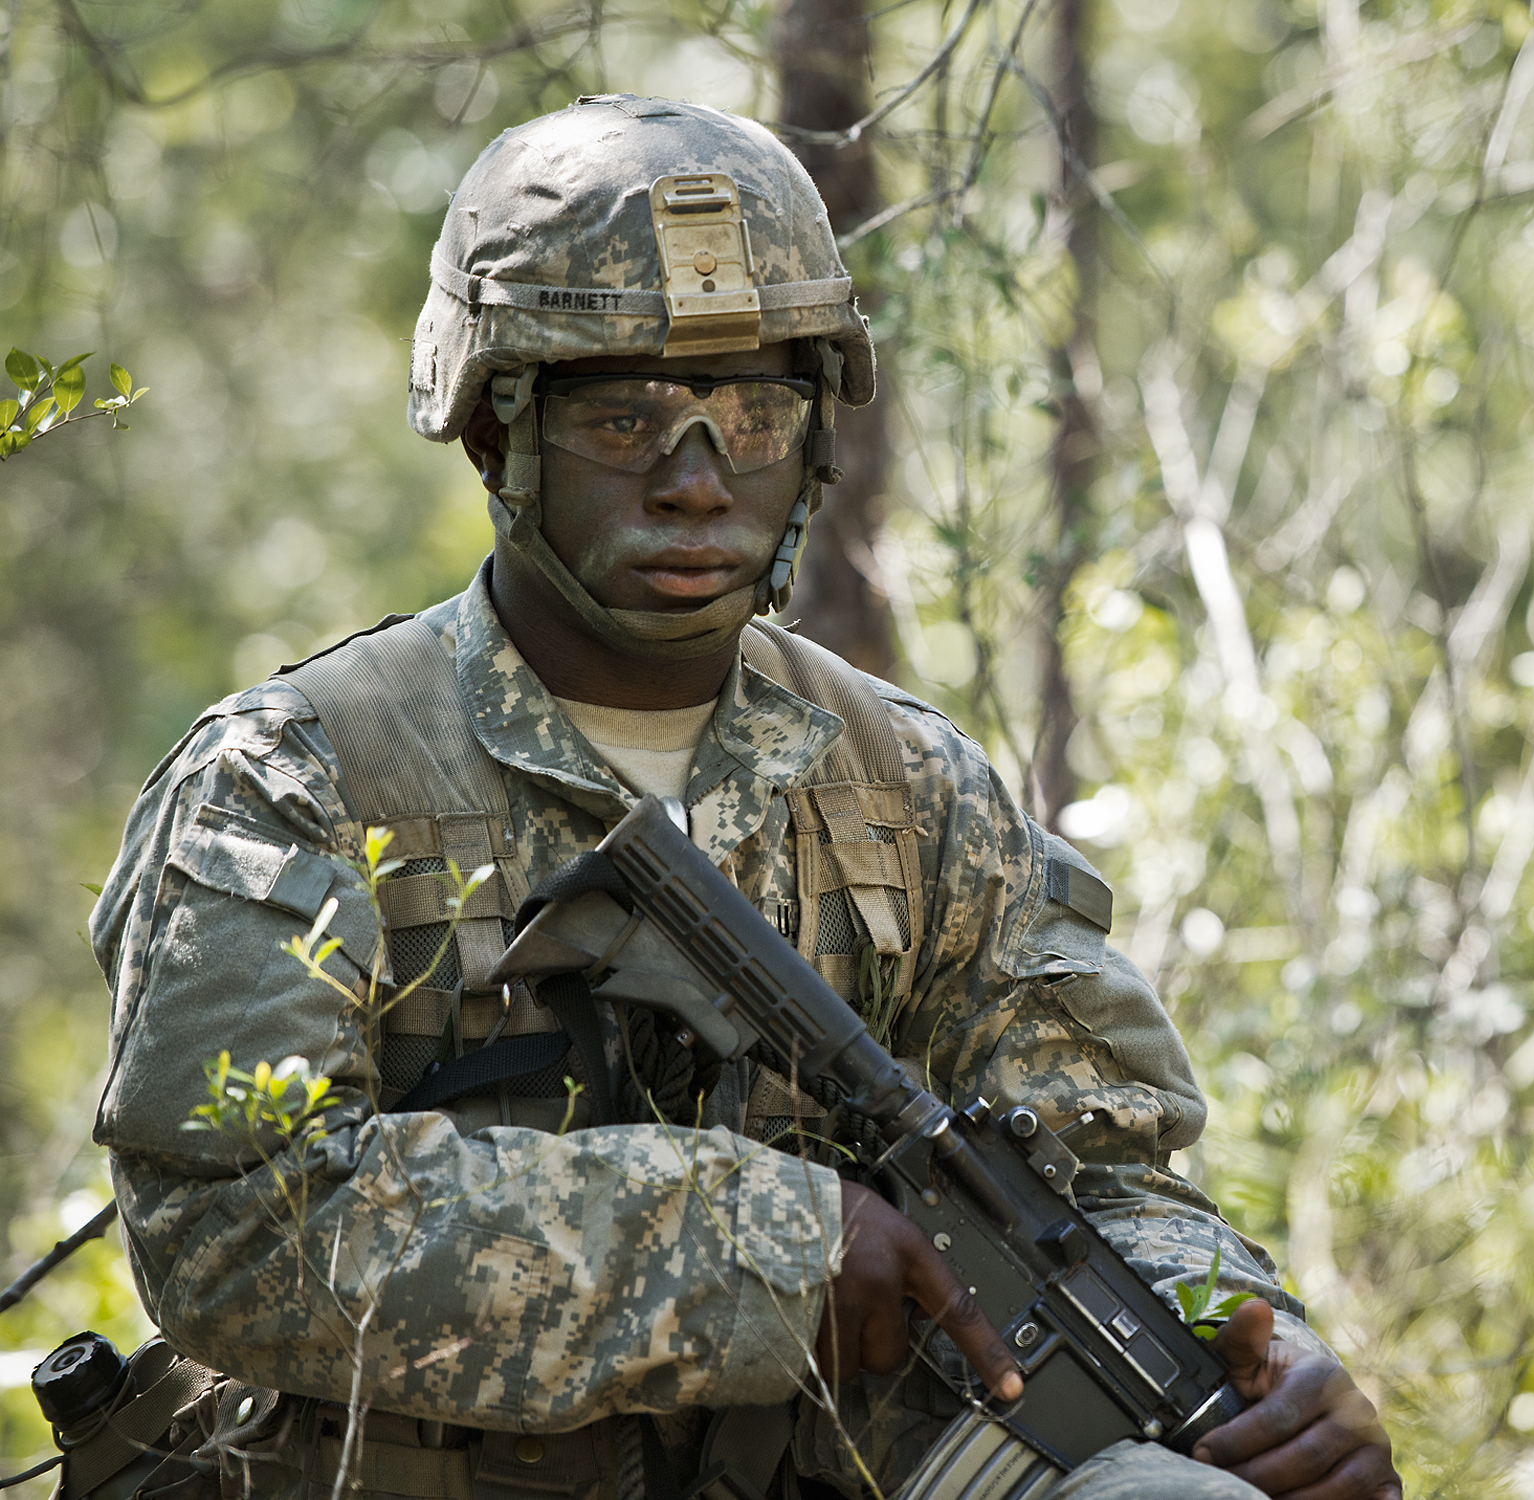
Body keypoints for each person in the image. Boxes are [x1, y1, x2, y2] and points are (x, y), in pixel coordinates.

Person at [89, 96, 1401, 1500]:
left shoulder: (907, 783)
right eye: (626, 419)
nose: (700, 484)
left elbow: (1105, 1179)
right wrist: (756, 1250)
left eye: (755, 415)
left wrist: (1250, 1349)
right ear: (492, 431)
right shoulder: (294, 777)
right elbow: (229, 1232)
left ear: (817, 437)